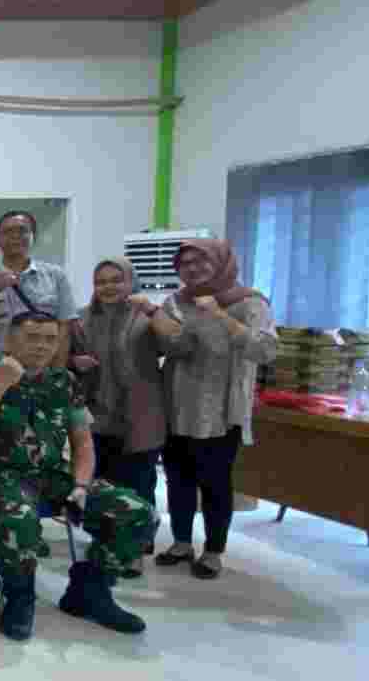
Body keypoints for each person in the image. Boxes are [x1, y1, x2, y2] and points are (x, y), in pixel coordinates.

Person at [0, 312, 154, 641]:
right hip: (4, 473)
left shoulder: (64, 382)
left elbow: (82, 440)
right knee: (19, 522)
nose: (41, 346)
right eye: (32, 337)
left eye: (50, 339)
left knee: (136, 511)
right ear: (10, 340)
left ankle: (92, 590)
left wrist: (80, 484)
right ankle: (20, 598)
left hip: (53, 474)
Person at [153, 239, 276, 580]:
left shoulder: (249, 302)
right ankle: (180, 543)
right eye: (185, 262)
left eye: (201, 261)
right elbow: (170, 344)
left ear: (221, 263)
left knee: (215, 483)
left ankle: (213, 551)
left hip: (220, 410)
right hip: (176, 405)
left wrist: (219, 315)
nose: (192, 268)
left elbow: (265, 350)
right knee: (178, 480)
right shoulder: (175, 302)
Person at [72, 256, 176, 578]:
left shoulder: (146, 316)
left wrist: (154, 312)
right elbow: (66, 357)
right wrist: (76, 362)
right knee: (101, 485)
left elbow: (181, 343)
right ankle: (103, 544)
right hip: (97, 414)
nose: (108, 287)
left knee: (139, 484)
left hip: (140, 415)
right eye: (101, 281)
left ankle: (134, 551)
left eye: (116, 280)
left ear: (131, 281)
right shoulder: (83, 318)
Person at [0, 211, 77, 362]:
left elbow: (64, 327)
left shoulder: (55, 276)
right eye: (7, 231)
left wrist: (56, 371)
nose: (15, 236)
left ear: (33, 236)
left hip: (41, 371)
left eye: (22, 230)